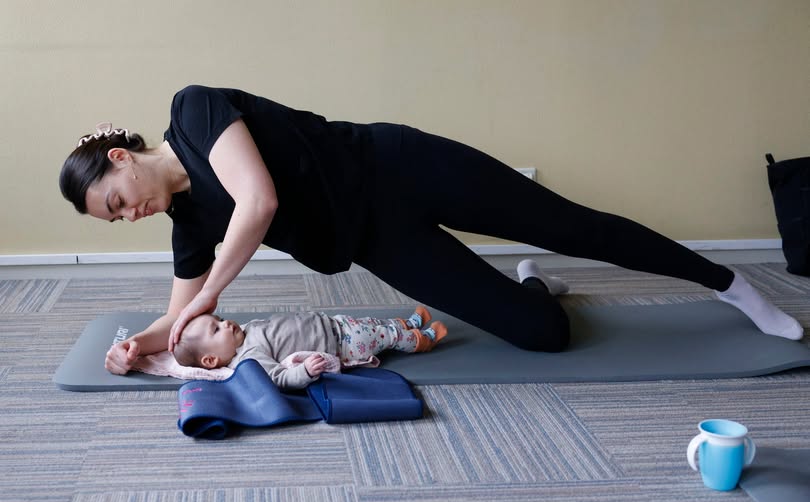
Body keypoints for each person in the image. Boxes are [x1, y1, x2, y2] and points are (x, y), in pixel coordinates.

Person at [58, 86, 803, 375]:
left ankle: (731, 284)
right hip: (381, 241)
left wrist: (208, 294)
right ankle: (533, 283)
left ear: (120, 158)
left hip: (400, 168)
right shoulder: (189, 224)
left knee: (576, 225)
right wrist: (144, 344)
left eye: (116, 202)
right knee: (544, 335)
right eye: (115, 220)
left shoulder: (193, 113)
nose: (128, 216)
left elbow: (257, 205)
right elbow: (178, 306)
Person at [173, 307, 447, 389]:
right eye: (216, 329)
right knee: (382, 336)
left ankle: (405, 324)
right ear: (211, 360)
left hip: (332, 323)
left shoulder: (242, 333)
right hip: (342, 344)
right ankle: (419, 341)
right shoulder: (249, 359)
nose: (226, 323)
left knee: (374, 323)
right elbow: (279, 380)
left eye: (219, 320)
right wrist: (304, 371)